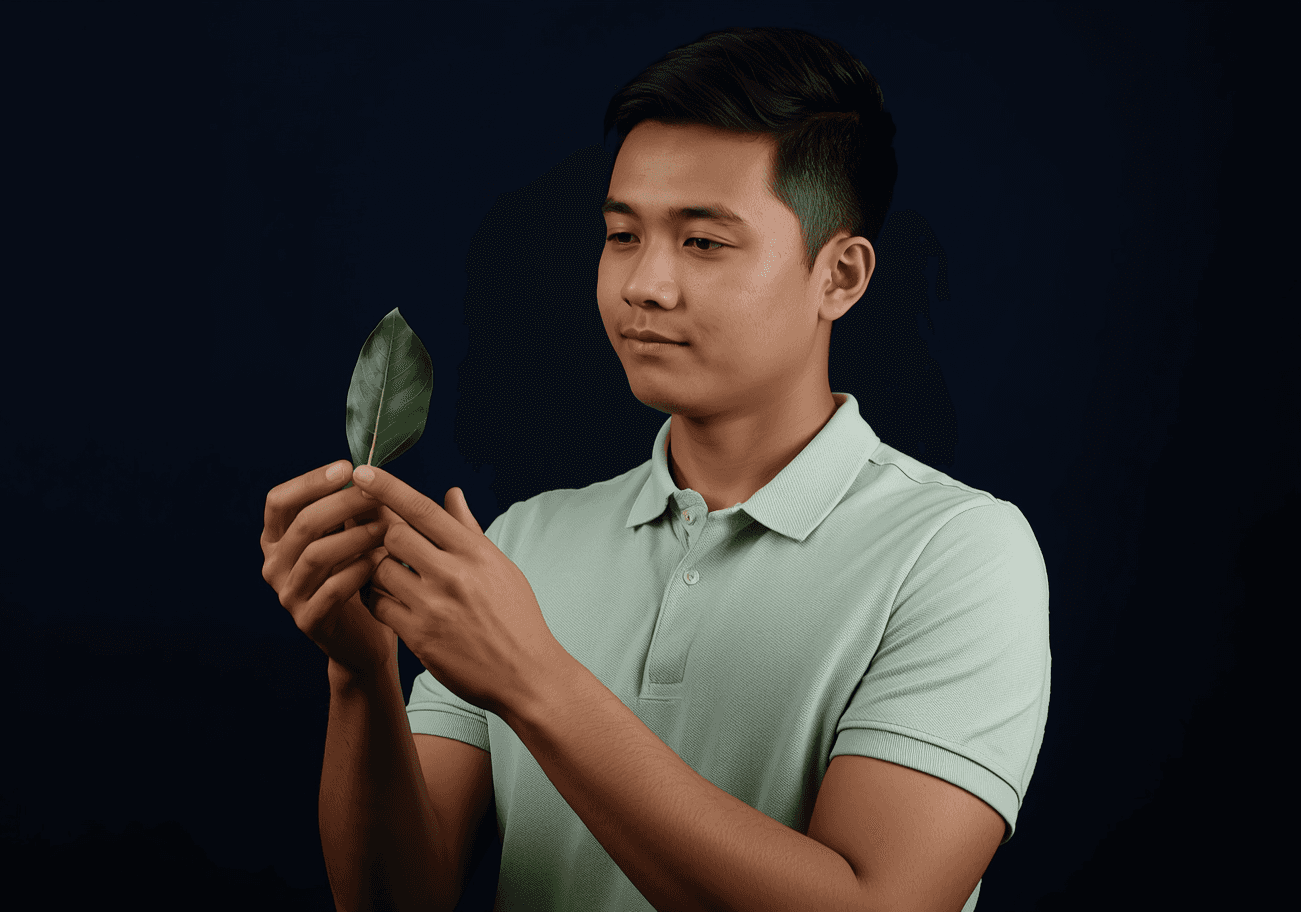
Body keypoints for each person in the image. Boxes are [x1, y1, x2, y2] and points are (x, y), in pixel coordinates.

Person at [259, 25, 1049, 912]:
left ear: (842, 276)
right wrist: (361, 672)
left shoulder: (959, 553)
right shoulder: (523, 543)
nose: (644, 285)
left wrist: (531, 675)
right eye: (622, 234)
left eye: (704, 242)